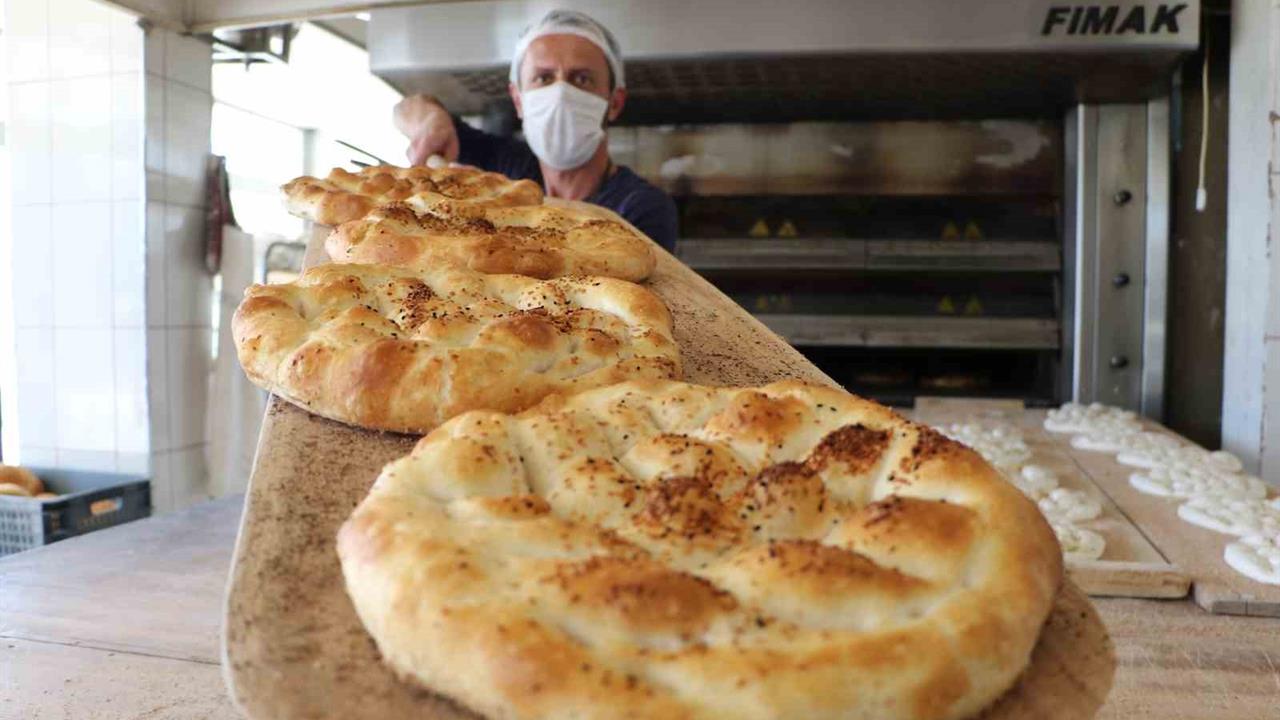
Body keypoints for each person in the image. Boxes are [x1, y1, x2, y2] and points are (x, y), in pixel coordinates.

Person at [393, 9, 679, 252]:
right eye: (543, 78)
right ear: (518, 100)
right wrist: (430, 120)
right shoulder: (504, 166)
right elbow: (408, 108)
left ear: (614, 103)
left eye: (582, 79)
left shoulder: (642, 207)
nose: (561, 93)